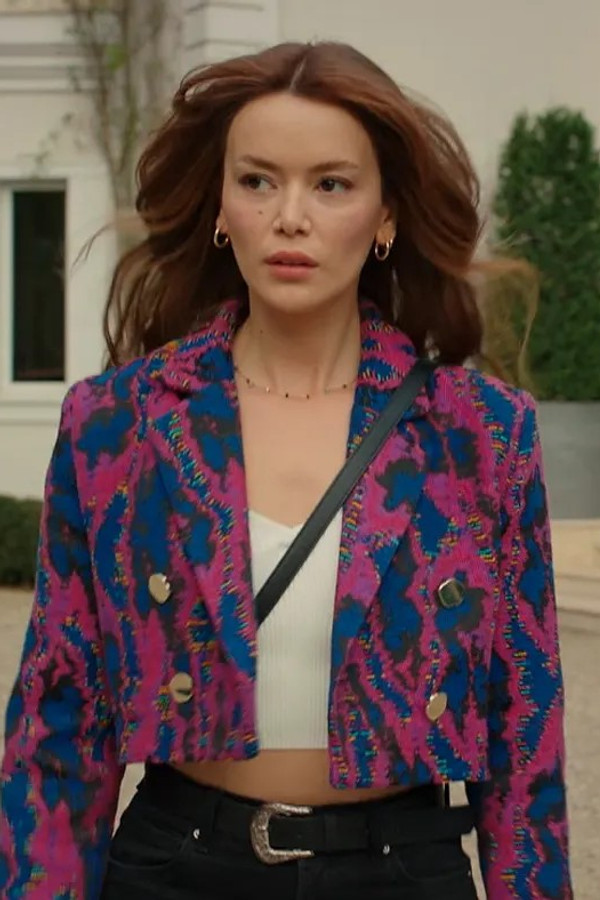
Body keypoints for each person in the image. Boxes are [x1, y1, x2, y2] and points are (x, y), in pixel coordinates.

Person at [0, 41, 571, 900]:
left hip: (403, 872)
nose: (290, 216)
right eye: (258, 181)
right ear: (221, 207)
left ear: (385, 215)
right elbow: (58, 729)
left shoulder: (479, 433)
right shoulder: (119, 425)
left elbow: (525, 735)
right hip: (176, 866)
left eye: (331, 184)